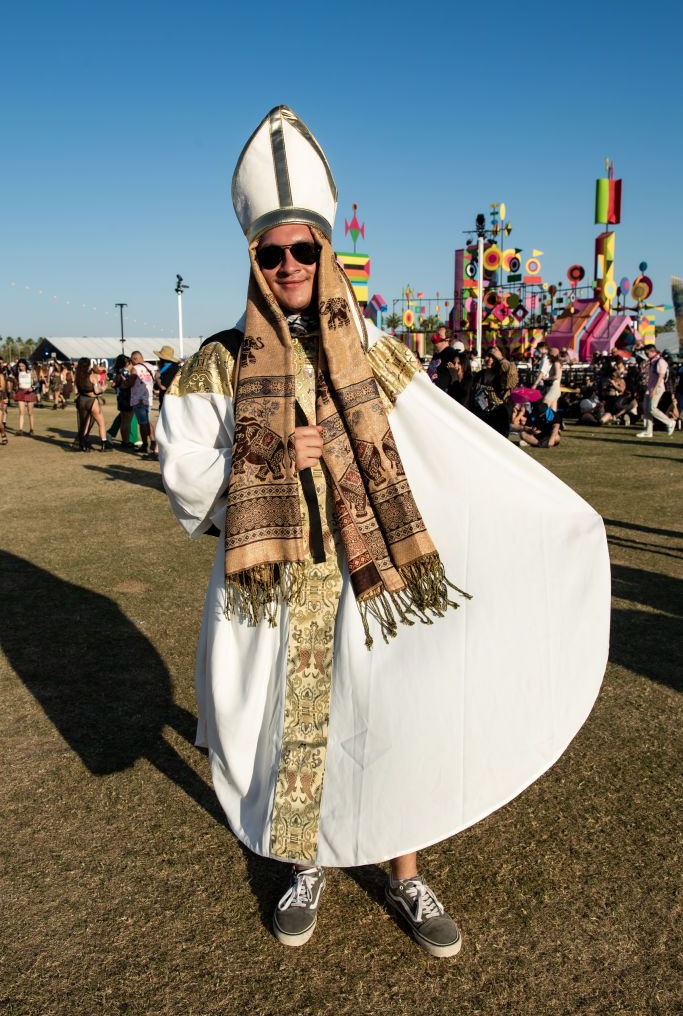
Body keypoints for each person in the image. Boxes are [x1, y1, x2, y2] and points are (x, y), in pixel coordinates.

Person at [156, 104, 609, 958]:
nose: (289, 264)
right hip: (275, 586)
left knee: (391, 717)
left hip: (377, 576)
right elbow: (184, 480)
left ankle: (404, 876)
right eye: (271, 251)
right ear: (251, 258)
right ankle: (307, 863)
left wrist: (557, 520)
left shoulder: (371, 347)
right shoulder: (216, 361)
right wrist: (265, 459)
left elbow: (446, 442)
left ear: (324, 254)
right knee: (293, 726)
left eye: (303, 248)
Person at [472, 344, 518, 437]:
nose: (489, 359)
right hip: (480, 416)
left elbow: (512, 376)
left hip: (498, 417)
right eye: (488, 356)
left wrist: (501, 358)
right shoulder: (479, 375)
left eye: (493, 357)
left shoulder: (502, 376)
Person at [636, 344, 675, 439]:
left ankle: (670, 422)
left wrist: (654, 389)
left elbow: (661, 377)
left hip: (657, 388)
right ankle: (648, 431)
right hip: (649, 388)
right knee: (646, 410)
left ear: (652, 351)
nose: (645, 354)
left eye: (647, 352)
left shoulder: (660, 361)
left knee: (652, 409)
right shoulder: (652, 361)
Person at [74, 357, 111, 452]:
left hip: (81, 400)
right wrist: (103, 388)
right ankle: (104, 445)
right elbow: (97, 391)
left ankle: (83, 444)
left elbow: (75, 391)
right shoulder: (92, 376)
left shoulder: (77, 377)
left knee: (85, 423)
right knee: (101, 423)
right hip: (92, 401)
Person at [129, 351, 157, 456]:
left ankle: (146, 444)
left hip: (138, 398)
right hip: (148, 397)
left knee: (142, 423)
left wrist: (124, 383)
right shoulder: (151, 367)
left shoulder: (135, 369)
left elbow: (131, 382)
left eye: (132, 360)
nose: (131, 362)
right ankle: (153, 442)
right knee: (147, 421)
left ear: (135, 358)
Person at [13, 359, 37, 436]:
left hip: (30, 392)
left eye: (22, 366)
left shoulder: (32, 372)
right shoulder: (18, 372)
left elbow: (37, 383)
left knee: (30, 413)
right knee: (21, 412)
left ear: (26, 365)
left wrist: (32, 388)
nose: (21, 367)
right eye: (19, 366)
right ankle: (20, 430)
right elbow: (13, 379)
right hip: (21, 392)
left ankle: (32, 429)